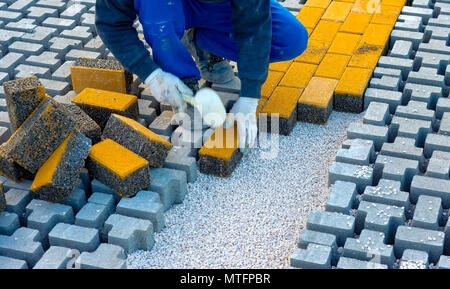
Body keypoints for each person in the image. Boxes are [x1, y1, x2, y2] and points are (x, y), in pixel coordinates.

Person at [96, 0, 308, 152]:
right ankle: (182, 85)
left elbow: (255, 26)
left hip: (219, 8)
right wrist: (151, 73)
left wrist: (250, 95)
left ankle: (201, 41)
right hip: (168, 8)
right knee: (156, 9)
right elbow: (111, 24)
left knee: (291, 39)